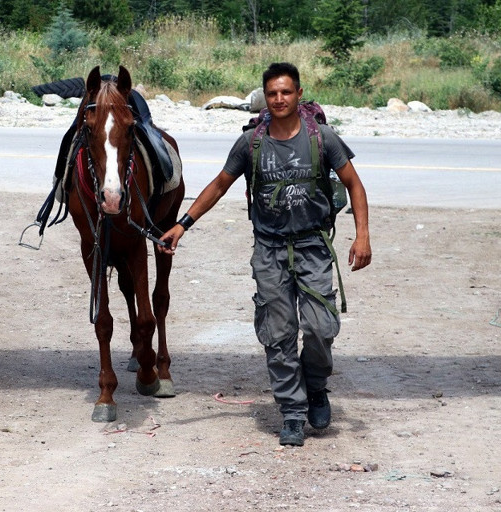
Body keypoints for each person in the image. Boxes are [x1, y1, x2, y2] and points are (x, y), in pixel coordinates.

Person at [159, 62, 372, 446]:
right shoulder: (251, 143)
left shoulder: (322, 137)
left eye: (286, 92)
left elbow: (354, 185)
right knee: (278, 334)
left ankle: (316, 386)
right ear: (265, 98)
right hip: (270, 250)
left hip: (312, 247)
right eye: (272, 93)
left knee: (321, 328)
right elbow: (220, 184)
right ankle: (292, 412)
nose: (279, 99)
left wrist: (363, 236)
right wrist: (182, 224)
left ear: (299, 94)